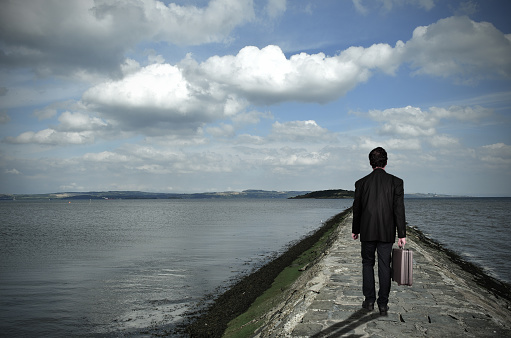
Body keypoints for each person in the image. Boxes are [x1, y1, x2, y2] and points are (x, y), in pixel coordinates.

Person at [351, 147, 406, 315]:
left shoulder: (361, 183)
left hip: (367, 231)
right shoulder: (396, 182)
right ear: (386, 162)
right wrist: (402, 234)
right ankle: (383, 304)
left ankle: (369, 301)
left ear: (370, 163)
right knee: (384, 266)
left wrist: (355, 229)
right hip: (386, 232)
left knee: (367, 264)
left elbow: (357, 209)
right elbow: (399, 210)